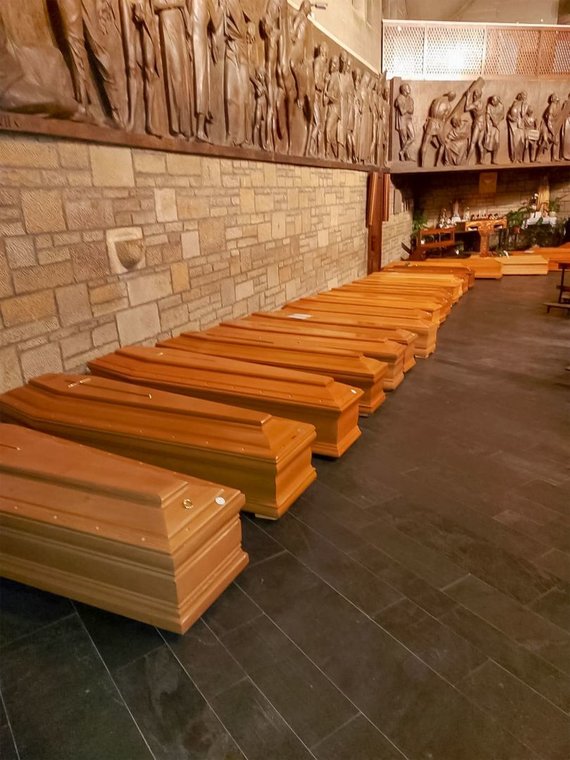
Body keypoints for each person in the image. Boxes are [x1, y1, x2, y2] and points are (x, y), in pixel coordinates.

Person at [420, 91, 456, 166]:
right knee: (443, 144)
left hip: (431, 122)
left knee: (424, 144)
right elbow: (444, 118)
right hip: (438, 124)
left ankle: (422, 164)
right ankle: (437, 163)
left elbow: (431, 111)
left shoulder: (436, 100)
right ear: (451, 98)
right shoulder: (448, 106)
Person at [394, 82, 414, 161]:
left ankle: (402, 152)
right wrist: (407, 108)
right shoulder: (399, 98)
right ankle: (407, 156)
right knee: (404, 138)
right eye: (408, 88)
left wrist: (406, 108)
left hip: (408, 119)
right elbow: (402, 111)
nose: (409, 89)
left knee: (412, 137)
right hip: (401, 120)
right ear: (404, 89)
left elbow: (412, 110)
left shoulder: (410, 99)